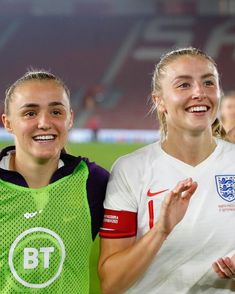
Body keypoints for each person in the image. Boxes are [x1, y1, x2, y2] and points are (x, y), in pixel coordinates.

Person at [98, 47, 235, 293]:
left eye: (208, 82)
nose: (199, 93)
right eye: (183, 85)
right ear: (159, 100)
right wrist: (161, 229)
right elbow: (111, 284)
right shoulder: (131, 169)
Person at [0, 70, 109, 293]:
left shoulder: (93, 182)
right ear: (8, 122)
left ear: (70, 118)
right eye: (30, 113)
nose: (44, 123)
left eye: (56, 112)